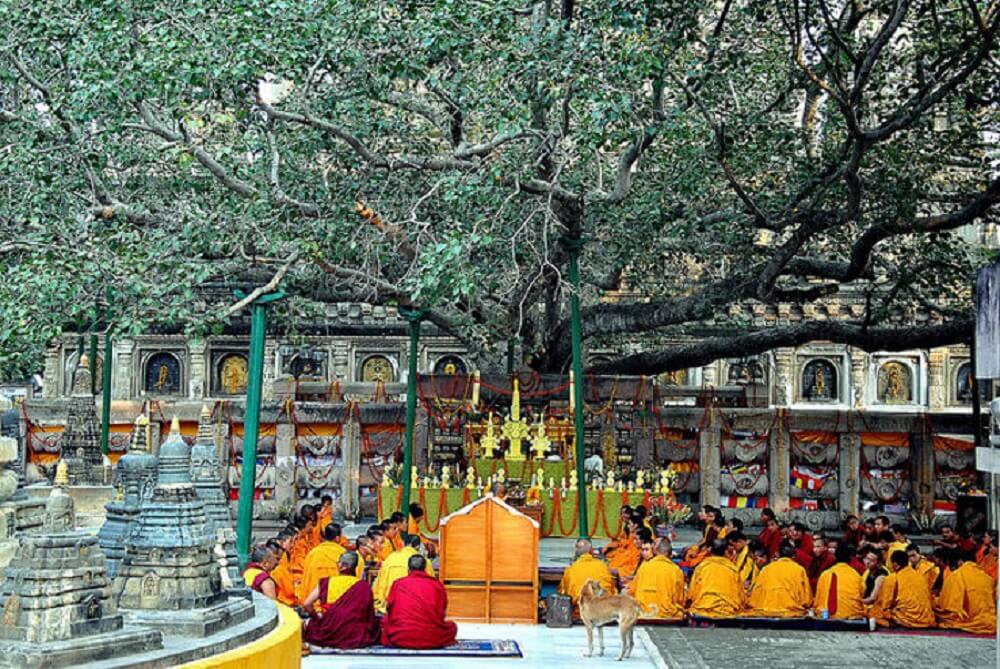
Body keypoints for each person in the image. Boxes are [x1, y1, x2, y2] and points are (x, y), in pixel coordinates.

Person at [302, 552, 379, 649]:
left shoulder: (326, 582)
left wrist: (316, 618)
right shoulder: (363, 586)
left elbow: (306, 604)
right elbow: (369, 615)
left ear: (340, 565)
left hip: (328, 630)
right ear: (355, 567)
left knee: (307, 625)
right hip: (354, 633)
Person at [381, 555, 458, 649]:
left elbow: (389, 608)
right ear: (425, 569)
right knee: (452, 627)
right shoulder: (436, 585)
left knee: (385, 622)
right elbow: (442, 610)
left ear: (408, 569)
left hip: (401, 636)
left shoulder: (398, 584)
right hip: (431, 637)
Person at [935, 549, 997, 634]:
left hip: (971, 620)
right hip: (992, 621)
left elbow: (946, 606)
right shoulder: (987, 577)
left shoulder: (956, 575)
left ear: (960, 561)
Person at [744, 541, 811, 618]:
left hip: (766, 610)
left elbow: (756, 595)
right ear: (793, 557)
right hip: (791, 611)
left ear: (778, 555)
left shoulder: (766, 569)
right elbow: (806, 598)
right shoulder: (799, 569)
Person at [373, 535, 435, 614]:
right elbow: (431, 586)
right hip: (414, 607)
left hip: (388, 605)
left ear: (403, 544)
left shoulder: (390, 558)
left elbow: (379, 584)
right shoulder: (424, 561)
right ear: (418, 547)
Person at [874, 550, 935, 629]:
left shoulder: (893, 578)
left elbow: (885, 604)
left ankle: (895, 623)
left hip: (907, 618)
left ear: (895, 564)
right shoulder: (920, 576)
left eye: (891, 563)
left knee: (874, 612)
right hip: (926, 618)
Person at [687, 539, 746, 618]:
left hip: (704, 608)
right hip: (728, 609)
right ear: (726, 551)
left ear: (710, 550)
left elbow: (692, 594)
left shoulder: (702, 567)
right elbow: (741, 597)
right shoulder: (733, 569)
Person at [627, 539, 685, 620]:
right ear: (670, 553)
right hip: (667, 615)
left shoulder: (644, 567)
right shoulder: (676, 570)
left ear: (655, 551)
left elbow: (631, 592)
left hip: (643, 614)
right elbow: (680, 599)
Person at [813, 543, 865, 620]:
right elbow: (862, 594)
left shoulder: (825, 574)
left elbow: (818, 598)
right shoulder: (856, 575)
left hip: (826, 615)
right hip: (851, 614)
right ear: (850, 558)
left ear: (835, 557)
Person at [559, 538, 617, 605]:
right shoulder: (602, 566)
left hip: (582, 609)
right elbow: (612, 588)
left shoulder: (570, 570)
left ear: (576, 554)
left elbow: (564, 591)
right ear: (591, 551)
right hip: (603, 607)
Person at [266, 533, 298, 606]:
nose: (293, 545)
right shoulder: (278, 569)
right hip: (285, 603)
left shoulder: (284, 559)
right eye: (291, 542)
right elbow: (290, 591)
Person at [607, 513, 643, 577]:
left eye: (629, 524)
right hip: (620, 565)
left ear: (636, 526)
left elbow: (633, 566)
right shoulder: (631, 536)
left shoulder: (638, 542)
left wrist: (618, 571)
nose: (628, 526)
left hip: (626, 572)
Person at [860, 547, 888, 612]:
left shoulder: (881, 575)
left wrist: (858, 601)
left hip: (875, 608)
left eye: (871, 560)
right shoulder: (868, 571)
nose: (867, 562)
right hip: (866, 604)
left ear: (879, 563)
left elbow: (873, 598)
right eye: (867, 558)